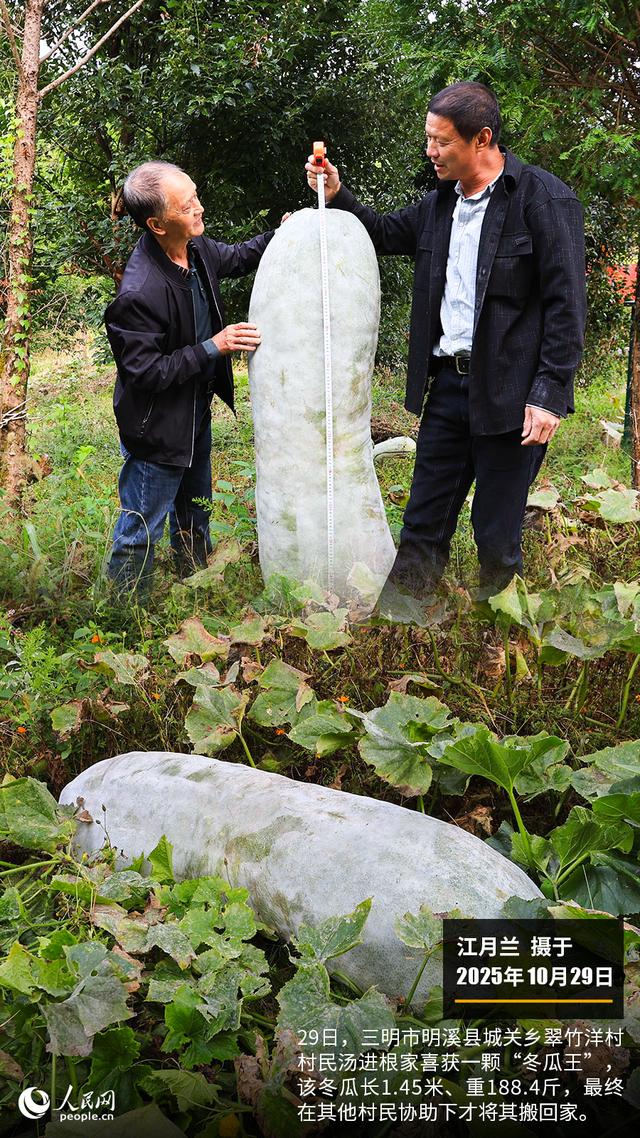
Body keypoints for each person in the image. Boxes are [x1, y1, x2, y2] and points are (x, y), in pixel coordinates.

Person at [306, 82, 586, 611]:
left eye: (441, 142)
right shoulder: (439, 205)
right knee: (424, 518)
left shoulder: (544, 200)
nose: (430, 152)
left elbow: (567, 305)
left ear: (482, 139)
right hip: (449, 387)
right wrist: (336, 193)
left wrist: (549, 393)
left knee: (496, 528)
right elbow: (385, 234)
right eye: (428, 140)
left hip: (513, 392)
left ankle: (495, 633)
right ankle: (397, 627)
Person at [104, 159, 273, 595]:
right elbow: (145, 372)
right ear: (158, 224)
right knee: (142, 525)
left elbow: (237, 257)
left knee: (195, 511)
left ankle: (193, 588)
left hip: (193, 413)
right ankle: (124, 614)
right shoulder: (140, 292)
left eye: (195, 195)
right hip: (157, 426)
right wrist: (213, 346)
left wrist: (285, 232)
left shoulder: (195, 250)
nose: (198, 208)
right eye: (187, 205)